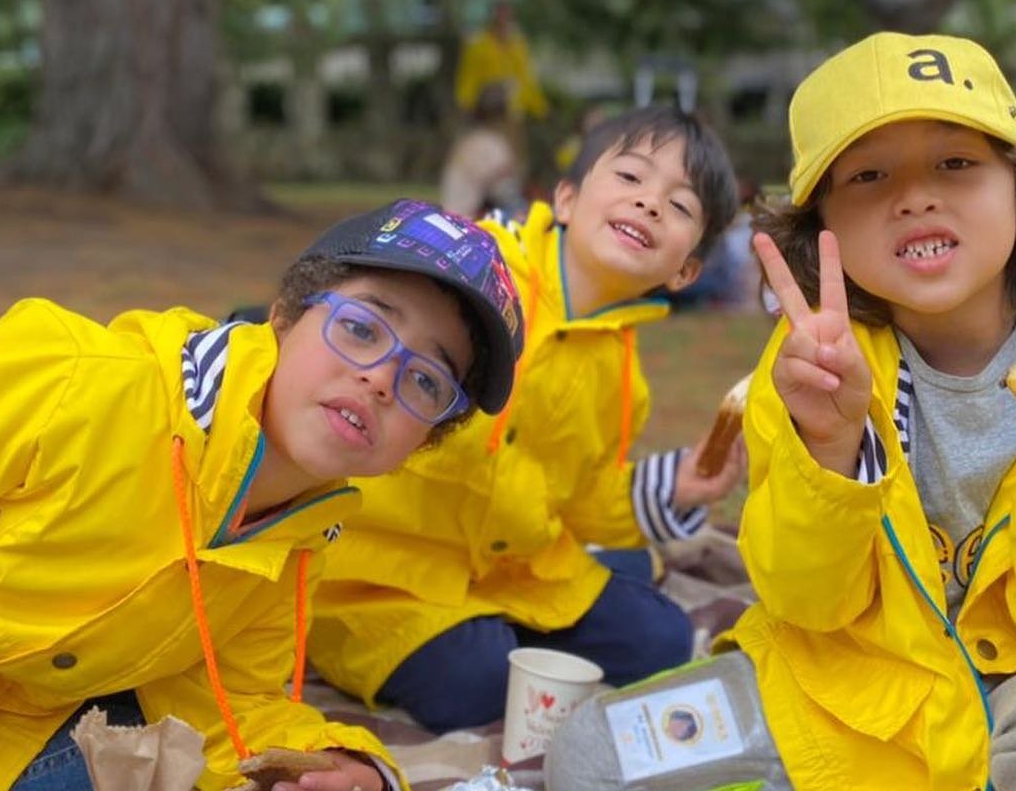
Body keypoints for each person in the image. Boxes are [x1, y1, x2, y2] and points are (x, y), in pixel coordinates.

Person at [545, 32, 1016, 790]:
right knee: (593, 751)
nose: (914, 196)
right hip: (854, 683)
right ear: (823, 227)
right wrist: (832, 448)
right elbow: (806, 604)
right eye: (869, 174)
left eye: (956, 162)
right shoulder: (805, 372)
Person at [0, 199, 524, 791]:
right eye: (361, 328)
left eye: (425, 380)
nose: (381, 378)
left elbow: (234, 703)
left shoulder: (293, 543)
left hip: (24, 736)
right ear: (283, 317)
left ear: (421, 443)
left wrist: (351, 770)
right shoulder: (82, 381)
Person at [308, 105, 744, 731]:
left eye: (680, 207)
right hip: (387, 571)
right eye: (630, 178)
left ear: (685, 270)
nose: (650, 203)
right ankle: (520, 621)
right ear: (566, 199)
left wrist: (676, 487)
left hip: (517, 569)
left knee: (664, 640)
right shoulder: (475, 278)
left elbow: (586, 498)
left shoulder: (622, 376)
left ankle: (568, 596)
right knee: (480, 684)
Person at [453, 0, 548, 126]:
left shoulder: (519, 46)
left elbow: (527, 78)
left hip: (513, 112)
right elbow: (468, 76)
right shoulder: (478, 45)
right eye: (499, 17)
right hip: (484, 111)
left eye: (507, 17)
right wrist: (464, 102)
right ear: (491, 20)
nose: (503, 21)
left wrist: (540, 107)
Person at [438, 82, 525, 221]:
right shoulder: (491, 144)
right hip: (469, 215)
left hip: (452, 211)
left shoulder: (469, 139)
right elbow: (505, 190)